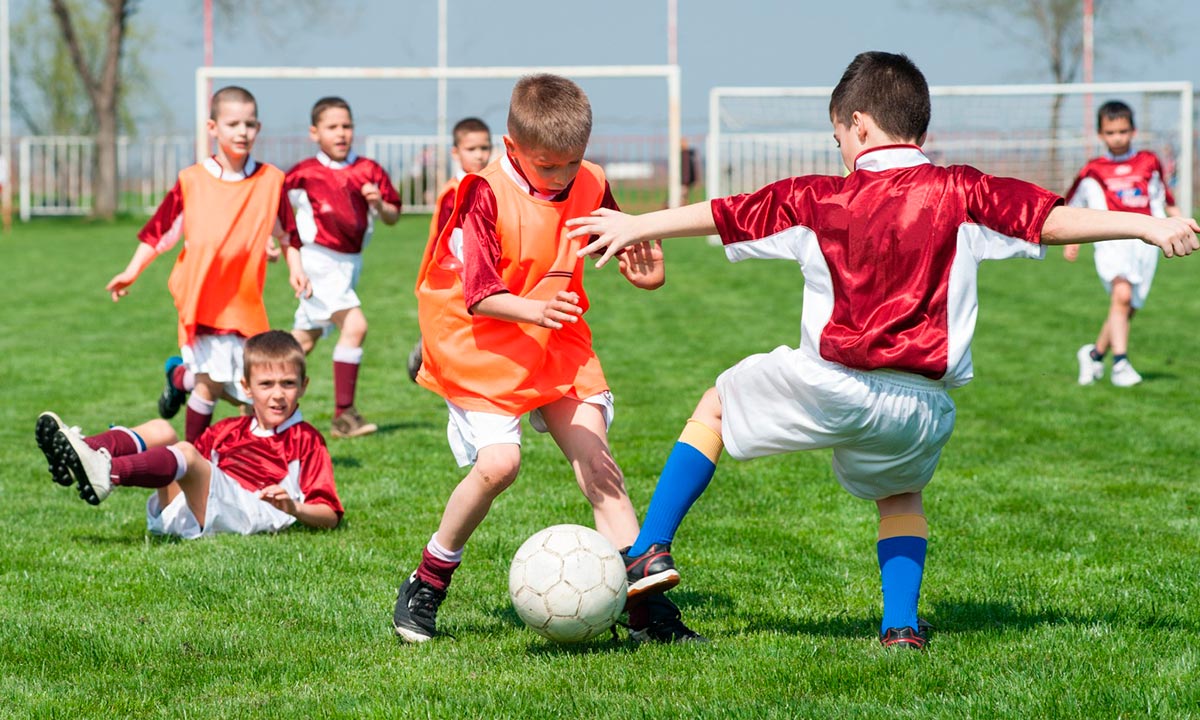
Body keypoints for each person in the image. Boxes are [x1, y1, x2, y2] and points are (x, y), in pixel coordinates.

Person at [565, 51, 1199, 650]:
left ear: (859, 126)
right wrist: (1148, 224)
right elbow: (1051, 220)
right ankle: (900, 628)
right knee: (900, 498)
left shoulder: (819, 196)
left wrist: (638, 223)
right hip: (924, 406)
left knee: (717, 407)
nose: (837, 147)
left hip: (835, 382)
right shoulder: (964, 191)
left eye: (837, 134)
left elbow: (726, 213)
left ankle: (650, 547)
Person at [392, 74, 703, 645]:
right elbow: (481, 293)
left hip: (555, 336)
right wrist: (534, 311)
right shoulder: (482, 194)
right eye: (546, 166)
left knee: (598, 464)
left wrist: (647, 273)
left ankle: (646, 614)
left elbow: (621, 242)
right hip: (479, 342)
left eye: (572, 163)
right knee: (498, 466)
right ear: (512, 149)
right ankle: (428, 580)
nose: (562, 177)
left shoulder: (591, 182)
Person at [112, 86, 309, 444]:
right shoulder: (192, 180)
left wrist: (296, 269)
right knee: (211, 384)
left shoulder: (271, 181)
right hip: (200, 298)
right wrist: (131, 272)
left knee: (246, 391)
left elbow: (288, 234)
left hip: (246, 302)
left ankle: (181, 382)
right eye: (232, 123)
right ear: (212, 127)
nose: (241, 132)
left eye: (249, 124)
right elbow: (160, 233)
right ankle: (194, 458)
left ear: (258, 128)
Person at [35, 331, 343, 537]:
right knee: (163, 430)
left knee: (185, 451)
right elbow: (182, 465)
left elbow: (330, 514)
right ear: (246, 388)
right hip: (202, 509)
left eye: (288, 383)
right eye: (266, 384)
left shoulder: (307, 439)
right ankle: (82, 450)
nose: (278, 395)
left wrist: (294, 507)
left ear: (303, 385)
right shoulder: (228, 430)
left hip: (253, 511)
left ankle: (107, 470)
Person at [283, 96, 402, 438]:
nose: (341, 133)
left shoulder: (369, 170)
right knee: (355, 326)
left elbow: (394, 216)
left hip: (350, 264)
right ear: (314, 132)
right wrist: (274, 243)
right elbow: (275, 210)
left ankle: (251, 390)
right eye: (332, 127)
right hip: (317, 261)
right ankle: (343, 415)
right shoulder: (304, 173)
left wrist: (379, 204)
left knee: (303, 341)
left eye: (346, 126)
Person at [1063, 100, 1182, 387]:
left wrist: (1179, 220)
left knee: (1127, 307)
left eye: (1123, 131)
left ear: (1133, 131)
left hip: (1145, 244)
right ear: (1101, 135)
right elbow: (1071, 204)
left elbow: (1164, 198)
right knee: (1122, 297)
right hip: (1112, 242)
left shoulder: (1149, 162)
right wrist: (1072, 241)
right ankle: (1121, 365)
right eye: (1111, 132)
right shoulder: (1093, 169)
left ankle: (1094, 355)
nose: (1118, 137)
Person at [406, 117, 494, 383]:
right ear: (455, 152)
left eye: (484, 148)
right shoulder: (454, 192)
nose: (479, 155)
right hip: (450, 279)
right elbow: (447, 244)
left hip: (476, 276)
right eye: (472, 149)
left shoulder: (489, 185)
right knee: (460, 343)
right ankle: (426, 349)